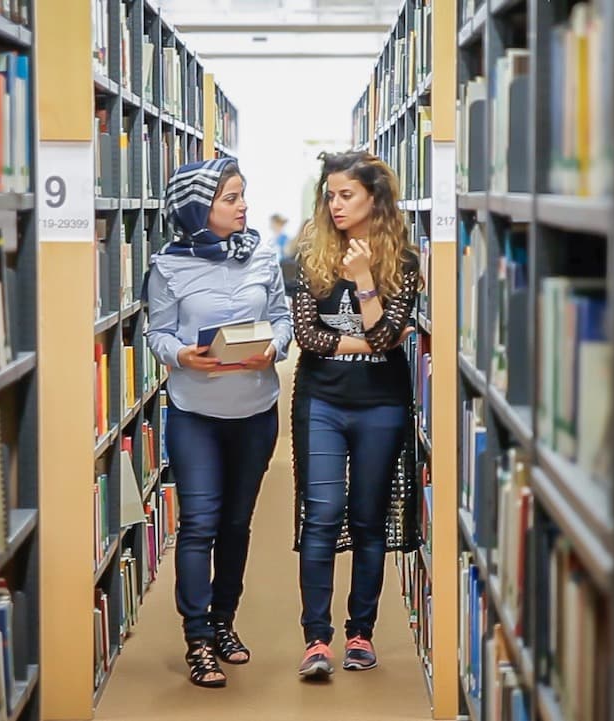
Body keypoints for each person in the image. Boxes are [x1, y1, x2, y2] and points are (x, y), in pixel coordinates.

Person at [144, 157, 293, 688]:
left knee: (235, 524)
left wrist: (273, 347)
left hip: (255, 411)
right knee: (200, 523)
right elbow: (157, 333)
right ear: (198, 208)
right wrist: (183, 356)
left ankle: (225, 622)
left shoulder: (263, 256)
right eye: (231, 197)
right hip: (196, 415)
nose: (243, 206)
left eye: (242, 195)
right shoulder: (166, 267)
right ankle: (199, 638)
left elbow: (282, 318)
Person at [289, 150, 422, 679]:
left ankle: (360, 633)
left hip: (381, 407)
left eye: (347, 194)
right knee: (320, 515)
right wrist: (370, 345)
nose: (335, 204)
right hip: (321, 402)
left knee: (369, 520)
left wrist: (365, 278)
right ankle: (315, 640)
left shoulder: (404, 262)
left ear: (375, 198)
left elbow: (390, 333)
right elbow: (308, 338)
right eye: (330, 194)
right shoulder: (309, 252)